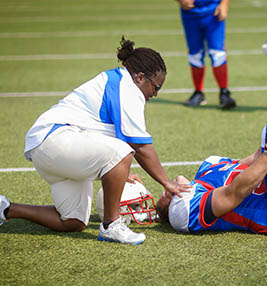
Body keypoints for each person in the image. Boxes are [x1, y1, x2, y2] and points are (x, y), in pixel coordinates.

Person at [0, 37, 191, 245]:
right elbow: (140, 146)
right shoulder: (127, 87)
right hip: (54, 139)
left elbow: (104, 138)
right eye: (156, 87)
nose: (155, 94)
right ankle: (111, 225)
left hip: (50, 148)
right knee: (124, 152)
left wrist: (122, 172)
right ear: (140, 77)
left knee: (73, 221)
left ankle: (6, 208)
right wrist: (167, 182)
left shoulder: (121, 83)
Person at [177, 0, 237, 109]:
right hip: (190, 12)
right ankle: (198, 92)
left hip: (214, 11)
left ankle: (224, 93)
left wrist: (224, 4)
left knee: (217, 53)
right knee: (195, 54)